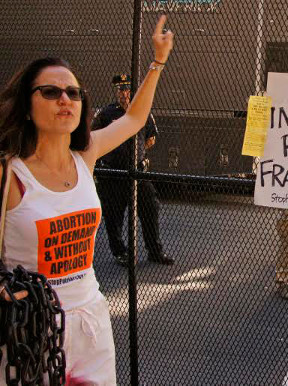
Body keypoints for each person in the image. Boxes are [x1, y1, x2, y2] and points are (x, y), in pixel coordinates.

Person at [0, 16, 173, 383]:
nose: (65, 99)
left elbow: (135, 119)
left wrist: (158, 60)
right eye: (50, 92)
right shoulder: (11, 174)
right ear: (27, 104)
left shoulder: (85, 155)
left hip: (90, 324)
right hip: (30, 331)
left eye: (73, 93)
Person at [92, 74, 173, 266]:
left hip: (137, 172)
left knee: (150, 208)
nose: (124, 93)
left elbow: (151, 139)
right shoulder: (106, 113)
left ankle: (154, 251)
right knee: (114, 214)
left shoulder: (143, 112)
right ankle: (120, 252)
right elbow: (94, 137)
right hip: (113, 174)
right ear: (116, 92)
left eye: (127, 89)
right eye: (120, 89)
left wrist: (138, 153)